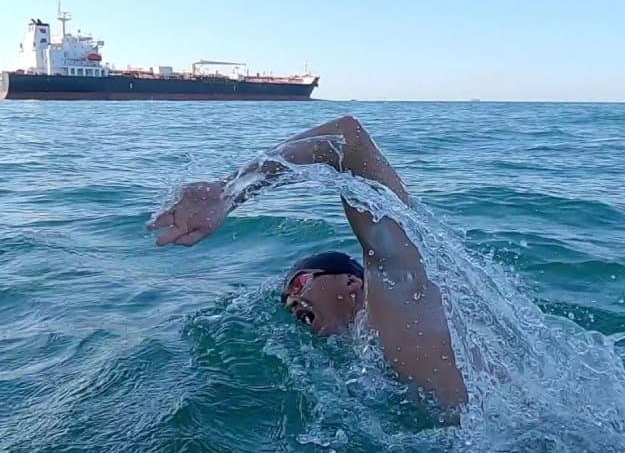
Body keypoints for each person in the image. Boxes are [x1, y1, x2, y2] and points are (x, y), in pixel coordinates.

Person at [147, 115, 468, 411]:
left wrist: (230, 191)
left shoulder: (402, 296)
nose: (290, 300)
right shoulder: (360, 361)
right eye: (287, 295)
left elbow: (349, 139)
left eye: (300, 282)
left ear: (351, 282)